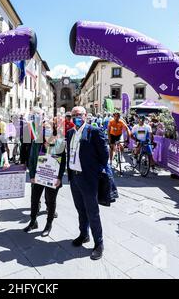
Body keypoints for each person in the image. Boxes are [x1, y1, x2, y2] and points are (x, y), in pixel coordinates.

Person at [67, 106, 108, 260]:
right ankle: (84, 234)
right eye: (73, 115)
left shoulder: (94, 131)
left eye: (78, 114)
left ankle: (99, 243)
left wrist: (94, 173)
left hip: (88, 178)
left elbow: (104, 156)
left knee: (92, 212)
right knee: (80, 210)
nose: (76, 117)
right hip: (74, 177)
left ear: (85, 116)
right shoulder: (70, 132)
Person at [24, 120, 66, 236]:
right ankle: (33, 221)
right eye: (43, 128)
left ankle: (48, 224)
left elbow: (63, 163)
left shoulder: (60, 142)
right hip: (38, 176)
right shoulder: (36, 142)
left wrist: (59, 178)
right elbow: (31, 159)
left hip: (53, 177)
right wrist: (32, 175)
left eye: (48, 128)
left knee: (51, 201)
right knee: (34, 199)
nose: (45, 130)